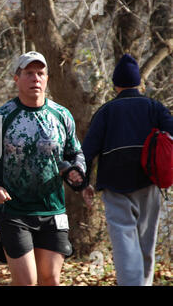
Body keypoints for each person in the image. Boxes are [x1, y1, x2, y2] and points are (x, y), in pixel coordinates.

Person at [0, 51, 86, 286]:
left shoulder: (61, 115)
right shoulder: (1, 116)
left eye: (40, 73)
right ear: (16, 78)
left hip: (52, 209)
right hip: (14, 211)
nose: (35, 78)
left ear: (47, 79)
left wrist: (77, 171)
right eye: (29, 73)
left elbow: (75, 153)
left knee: (50, 279)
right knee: (26, 281)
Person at [81, 54, 173, 286]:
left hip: (114, 183)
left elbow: (87, 151)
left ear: (115, 85)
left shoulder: (105, 112)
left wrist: (83, 183)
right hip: (149, 179)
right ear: (140, 84)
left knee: (124, 242)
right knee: (146, 242)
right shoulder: (155, 107)